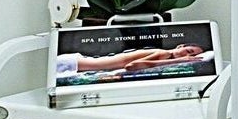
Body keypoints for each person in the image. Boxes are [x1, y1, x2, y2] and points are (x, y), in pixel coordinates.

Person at [57, 44, 207, 77]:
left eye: (192, 56)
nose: (187, 57)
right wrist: (177, 61)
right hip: (71, 64)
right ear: (180, 45)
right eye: (188, 51)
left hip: (76, 62)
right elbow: (132, 66)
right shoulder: (165, 54)